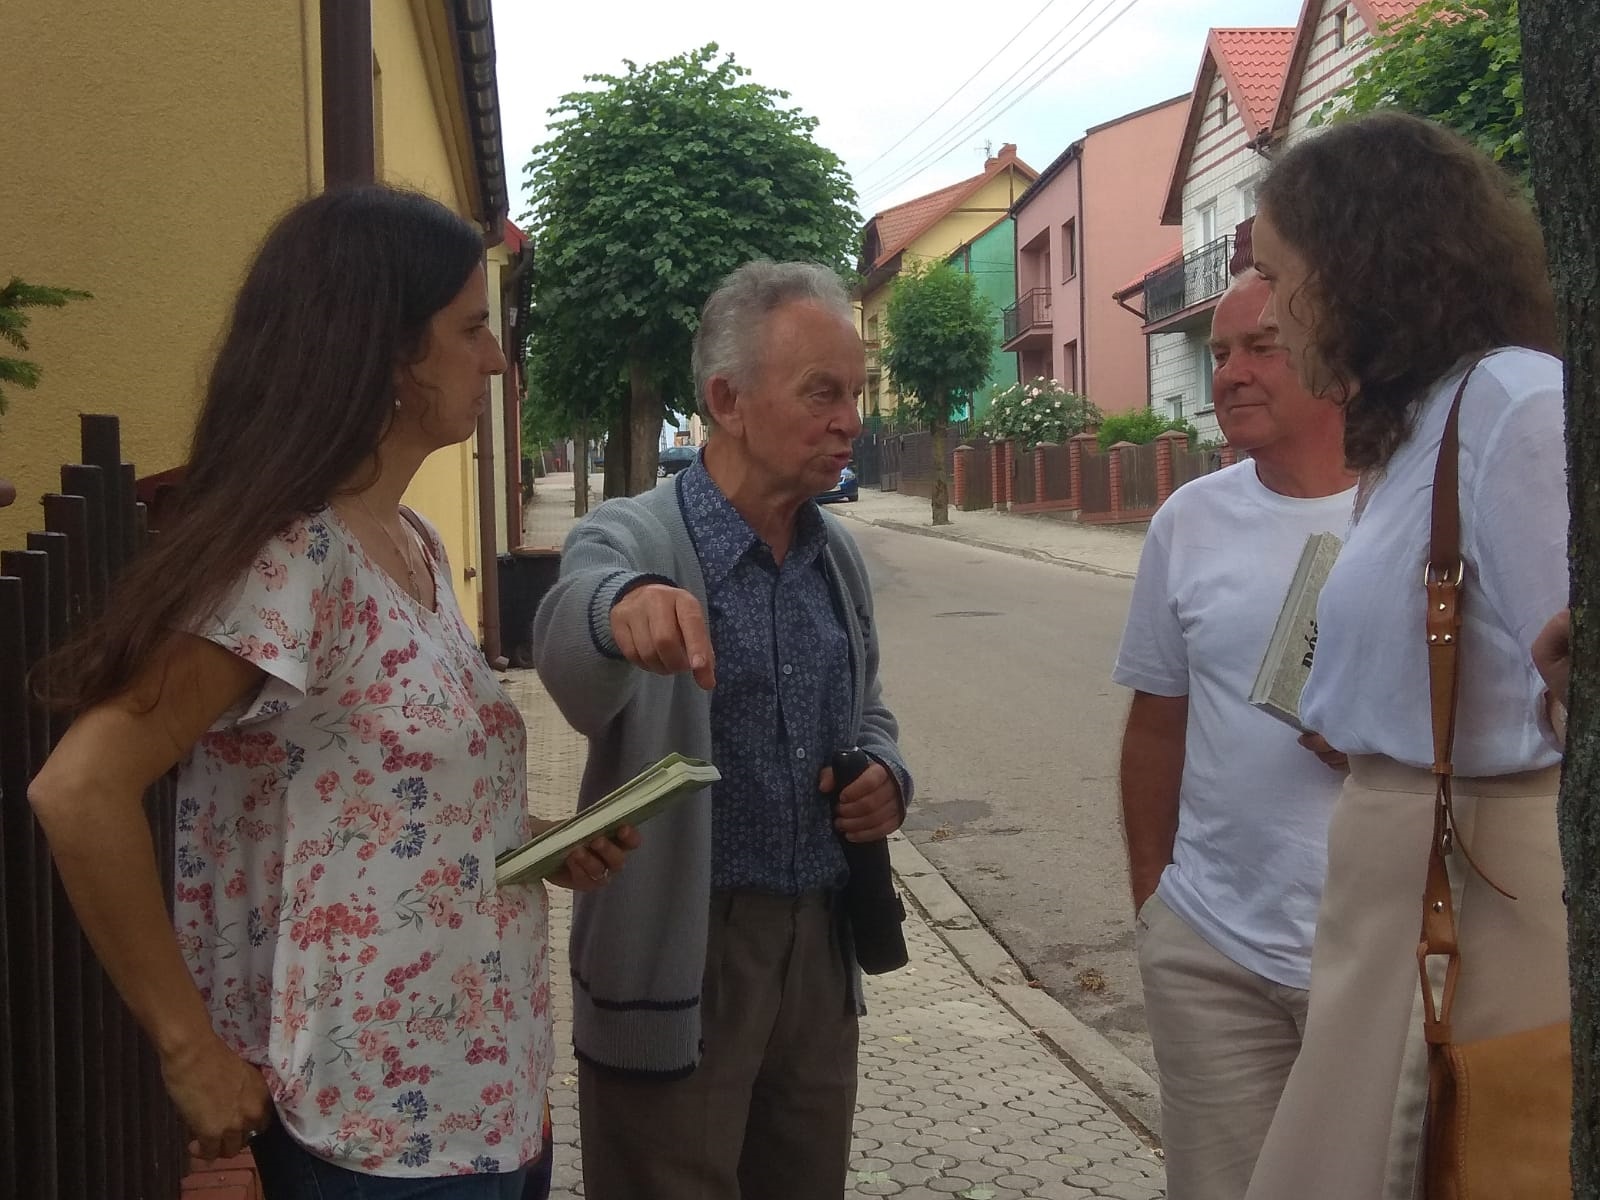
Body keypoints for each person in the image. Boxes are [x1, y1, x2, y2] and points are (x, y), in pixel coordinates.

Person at [27, 185, 636, 1199]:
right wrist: (188, 1048)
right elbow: (78, 789)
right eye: (471, 329)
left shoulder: (414, 544)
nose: (495, 360)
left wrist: (534, 842)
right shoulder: (289, 561)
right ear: (389, 355)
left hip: (486, 1098)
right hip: (363, 1133)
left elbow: (365, 797)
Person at [530, 260, 913, 1200]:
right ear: (727, 401)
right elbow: (570, 632)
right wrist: (623, 611)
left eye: (854, 394)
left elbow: (868, 708)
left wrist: (885, 773)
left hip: (817, 956)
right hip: (680, 950)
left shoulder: (835, 556)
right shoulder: (636, 538)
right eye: (822, 393)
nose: (851, 421)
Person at [1242, 111, 1568, 1199]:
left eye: (1276, 274)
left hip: (1476, 890)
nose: (1266, 312)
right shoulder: (1425, 419)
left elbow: (1567, 678)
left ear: (1356, 265)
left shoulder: (1513, 404)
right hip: (1407, 881)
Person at [1113, 272, 1356, 1200]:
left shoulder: (1413, 511)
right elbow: (1157, 724)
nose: (1230, 373)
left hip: (1377, 958)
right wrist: (1157, 906)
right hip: (1212, 951)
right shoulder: (1190, 520)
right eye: (1220, 353)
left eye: (1262, 347)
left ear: (1340, 364)